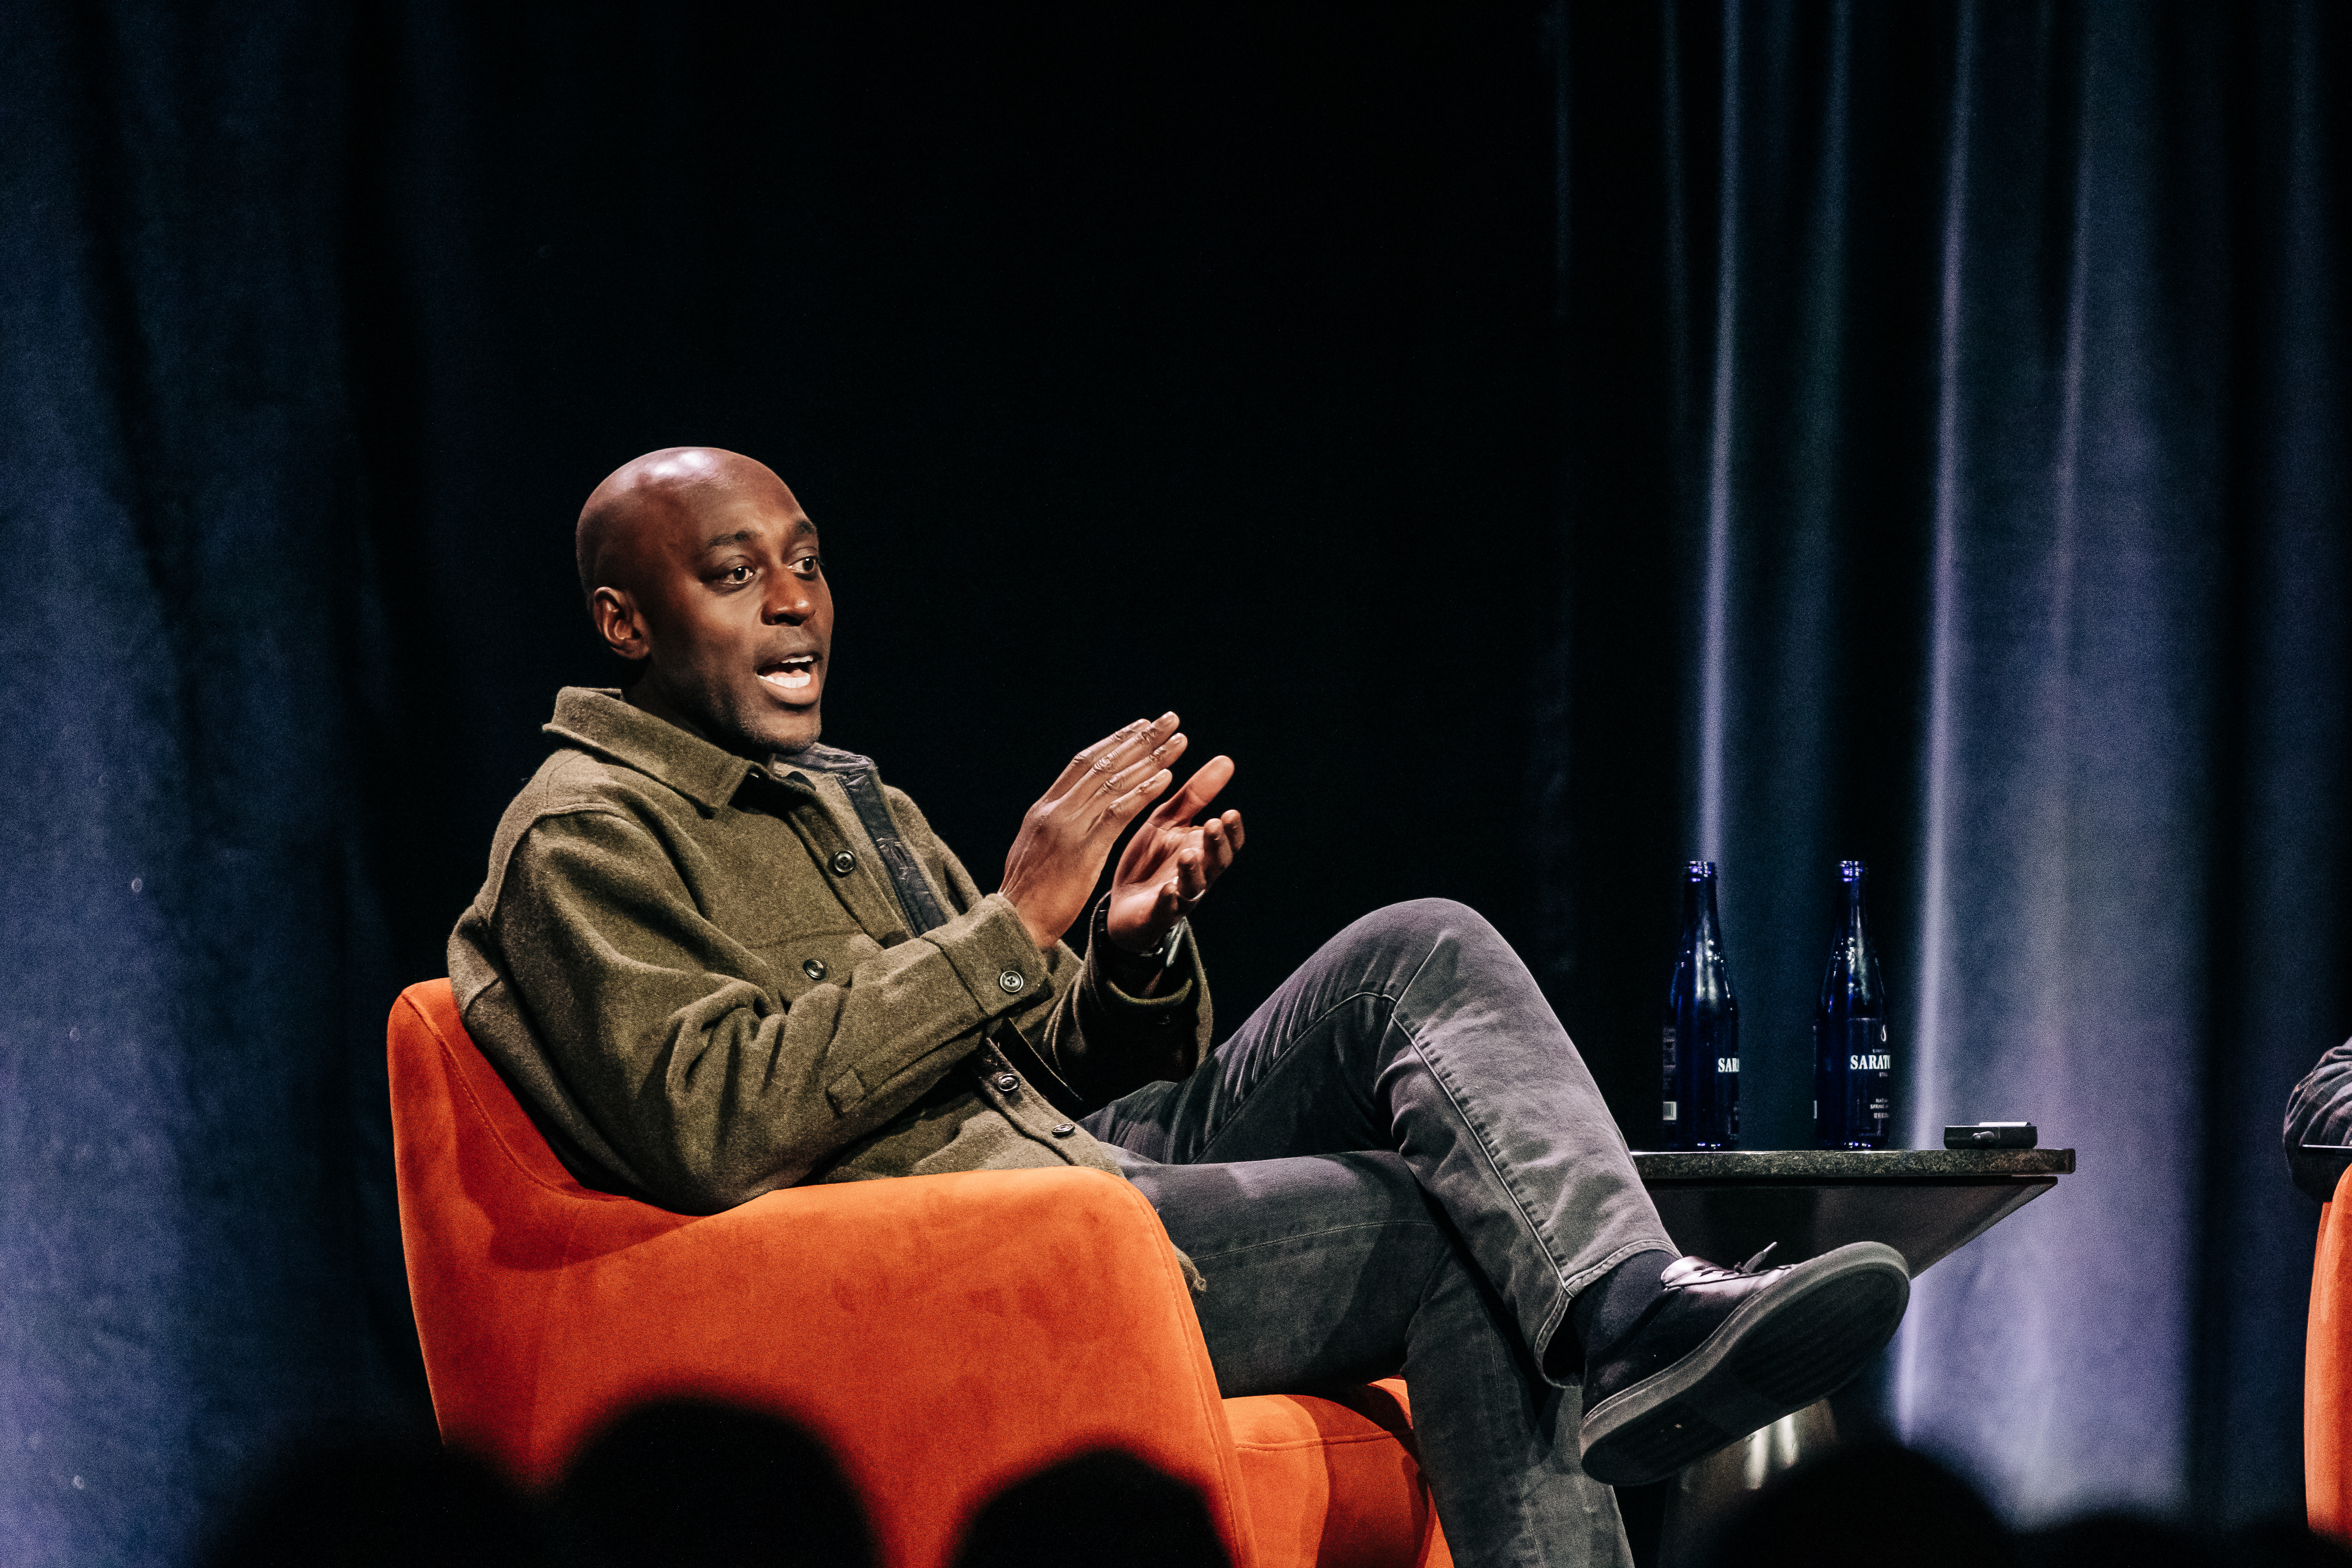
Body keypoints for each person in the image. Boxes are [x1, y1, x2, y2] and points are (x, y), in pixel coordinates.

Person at [449, 447, 1912, 1567]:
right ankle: (1629, 1335)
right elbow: (715, 1123)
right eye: (735, 573)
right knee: (1440, 1227)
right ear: (624, 623)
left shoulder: (850, 800)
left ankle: (1637, 1307)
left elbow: (1027, 1066)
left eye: (810, 564)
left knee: (1421, 946)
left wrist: (1128, 955)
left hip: (1075, 1173)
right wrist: (1016, 918)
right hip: (960, 1255)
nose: (794, 604)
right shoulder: (583, 837)